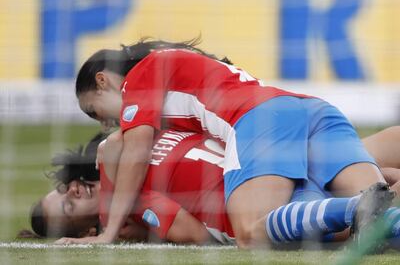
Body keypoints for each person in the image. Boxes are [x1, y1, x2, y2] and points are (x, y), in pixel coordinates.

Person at [73, 38, 393, 247]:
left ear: (102, 80)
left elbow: (135, 149)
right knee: (385, 212)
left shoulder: (138, 80)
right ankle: (363, 207)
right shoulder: (171, 67)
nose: (105, 123)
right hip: (310, 109)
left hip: (261, 119)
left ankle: (353, 208)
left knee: (251, 232)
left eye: (94, 110)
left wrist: (109, 233)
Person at [33, 127, 400, 248]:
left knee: (372, 183)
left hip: (270, 176)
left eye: (66, 189)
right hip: (281, 171)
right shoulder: (137, 188)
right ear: (89, 231)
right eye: (67, 206)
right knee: (373, 179)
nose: (74, 192)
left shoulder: (137, 149)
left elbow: (197, 237)